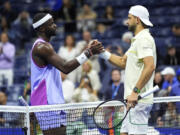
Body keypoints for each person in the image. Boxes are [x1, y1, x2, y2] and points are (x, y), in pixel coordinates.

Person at [30, 13, 103, 135]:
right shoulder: (42, 47)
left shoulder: (46, 46)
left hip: (52, 101)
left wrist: (87, 51)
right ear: (42, 28)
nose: (55, 26)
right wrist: (89, 53)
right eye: (51, 23)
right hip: (46, 102)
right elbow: (65, 67)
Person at [99, 5, 156, 135]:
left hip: (138, 101)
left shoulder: (144, 39)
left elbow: (150, 66)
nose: (126, 21)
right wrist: (102, 52)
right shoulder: (136, 41)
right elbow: (122, 62)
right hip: (131, 101)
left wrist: (135, 92)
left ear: (137, 19)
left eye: (129, 18)